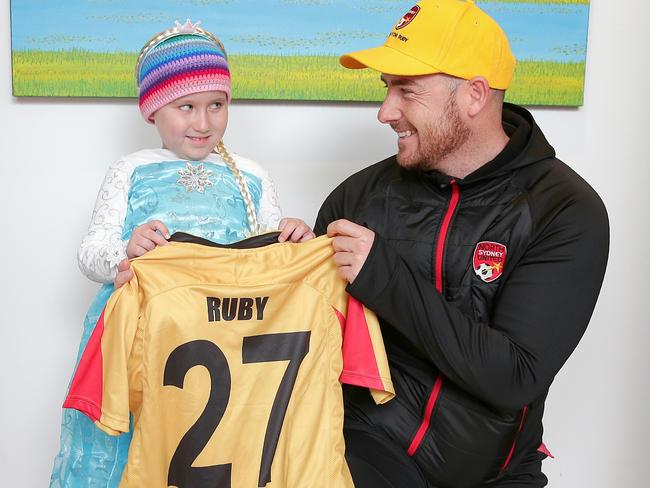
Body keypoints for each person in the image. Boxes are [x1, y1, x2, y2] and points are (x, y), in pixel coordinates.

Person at [315, 1, 609, 487]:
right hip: (364, 447)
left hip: (497, 473)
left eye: (407, 90)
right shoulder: (358, 196)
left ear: (474, 95)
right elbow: (303, 329)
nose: (385, 112)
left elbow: (514, 375)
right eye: (386, 88)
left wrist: (383, 278)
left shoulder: (565, 210)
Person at [49, 20, 313, 488]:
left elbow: (269, 262)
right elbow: (90, 254)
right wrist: (125, 253)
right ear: (152, 111)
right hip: (141, 335)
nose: (203, 122)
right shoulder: (131, 171)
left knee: (208, 446)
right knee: (131, 442)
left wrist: (289, 238)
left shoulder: (251, 176)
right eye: (185, 106)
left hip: (219, 336)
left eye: (217, 104)